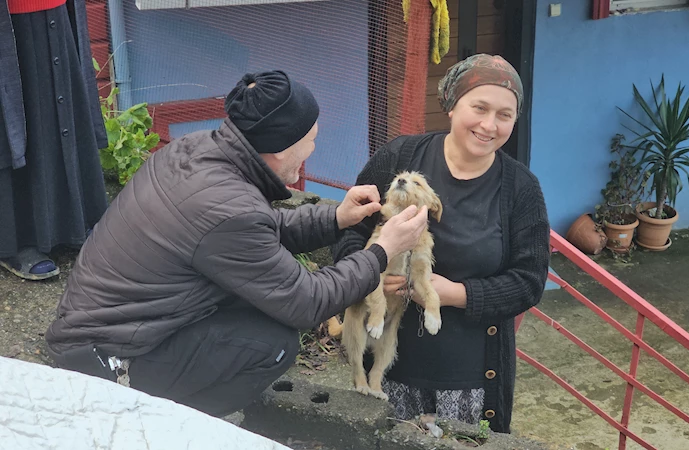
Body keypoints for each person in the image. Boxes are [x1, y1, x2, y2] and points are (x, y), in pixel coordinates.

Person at [44, 70, 430, 418]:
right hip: (108, 360)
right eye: (311, 140)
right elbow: (307, 301)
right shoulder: (230, 210)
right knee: (274, 342)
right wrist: (382, 251)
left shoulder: (196, 149)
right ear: (281, 146)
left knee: (258, 304)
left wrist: (336, 217)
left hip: (100, 327)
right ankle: (169, 424)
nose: (313, 149)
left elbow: (259, 229)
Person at [332, 54, 550, 433]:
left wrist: (457, 294)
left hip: (471, 381)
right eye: (479, 108)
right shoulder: (400, 158)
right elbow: (348, 230)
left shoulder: (521, 189)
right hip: (391, 372)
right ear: (452, 105)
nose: (489, 125)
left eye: (504, 115)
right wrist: (366, 272)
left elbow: (529, 282)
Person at [0, 0, 109, 280]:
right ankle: (20, 241)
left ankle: (75, 222)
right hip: (9, 20)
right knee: (13, 124)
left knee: (60, 115)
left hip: (55, 11)